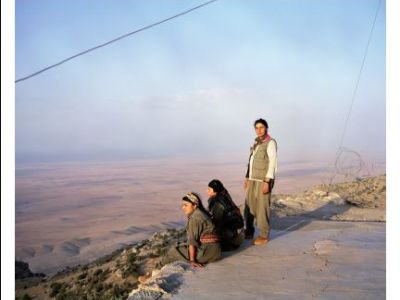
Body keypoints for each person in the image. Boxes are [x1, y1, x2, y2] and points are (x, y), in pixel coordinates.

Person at [159, 192, 221, 268]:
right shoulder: (200, 213)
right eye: (183, 205)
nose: (183, 207)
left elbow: (192, 241)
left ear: (195, 205)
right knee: (181, 245)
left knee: (173, 251)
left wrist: (192, 260)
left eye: (186, 205)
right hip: (214, 250)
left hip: (207, 252)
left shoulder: (195, 218)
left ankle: (154, 272)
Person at [243, 118, 277, 245]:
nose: (259, 130)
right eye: (256, 128)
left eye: (261, 127)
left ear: (266, 128)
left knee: (262, 207)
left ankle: (264, 235)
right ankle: (249, 231)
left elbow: (272, 163)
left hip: (263, 180)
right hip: (252, 179)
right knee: (249, 206)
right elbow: (250, 162)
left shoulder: (270, 143)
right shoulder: (256, 143)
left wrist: (267, 182)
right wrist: (247, 178)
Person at [207, 179, 245, 251]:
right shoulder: (223, 196)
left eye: (209, 189)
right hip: (238, 235)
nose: (207, 191)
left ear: (215, 191)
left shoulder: (218, 204)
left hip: (234, 240)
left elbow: (216, 223)